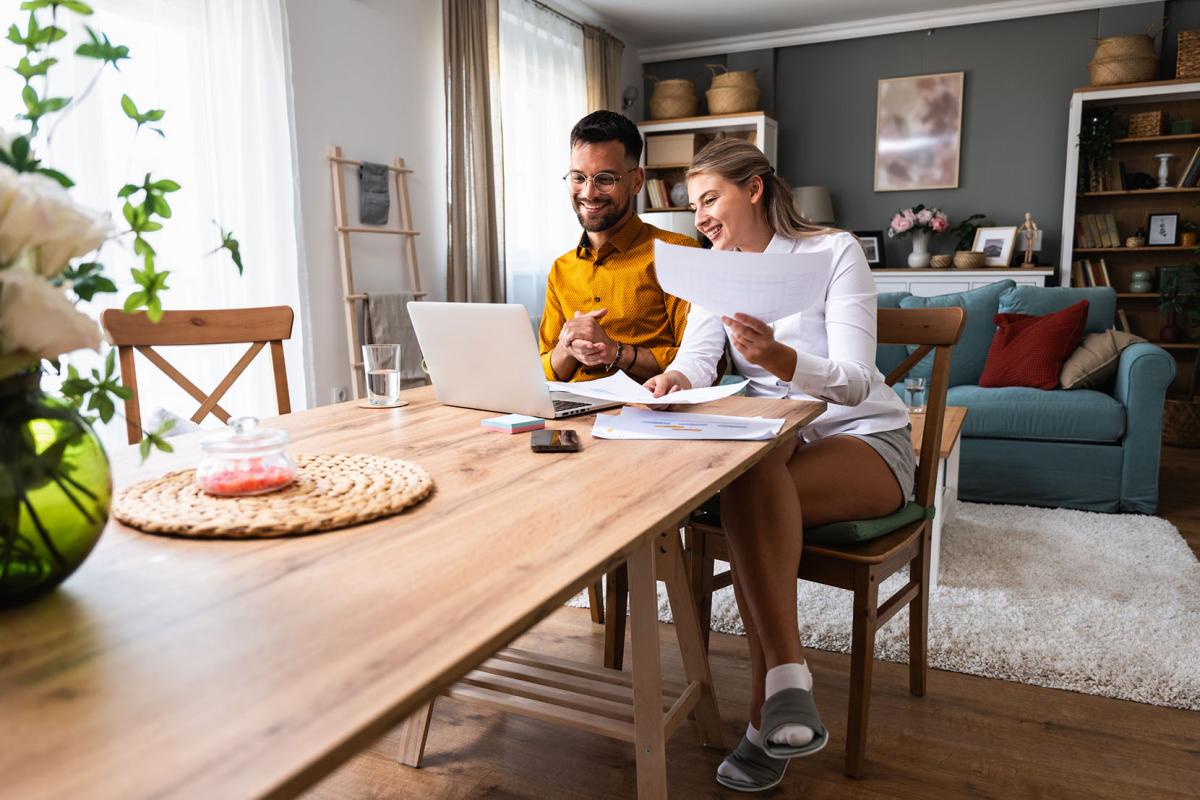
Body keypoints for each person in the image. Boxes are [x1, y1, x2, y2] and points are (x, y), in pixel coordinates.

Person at [645, 138, 915, 793]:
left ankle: (764, 718)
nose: (700, 215)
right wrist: (674, 379)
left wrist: (780, 359)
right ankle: (788, 683)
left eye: (711, 198)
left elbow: (853, 380)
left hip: (860, 438)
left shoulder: (833, 251)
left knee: (750, 496)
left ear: (756, 189)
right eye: (693, 203)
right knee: (752, 472)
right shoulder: (714, 266)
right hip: (774, 448)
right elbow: (697, 356)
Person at [539, 110, 697, 383]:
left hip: (645, 415)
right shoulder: (561, 269)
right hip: (570, 416)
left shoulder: (679, 253)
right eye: (578, 177)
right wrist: (569, 347)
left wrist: (613, 352)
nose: (588, 193)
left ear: (636, 181)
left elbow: (702, 363)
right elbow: (544, 371)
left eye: (605, 179)